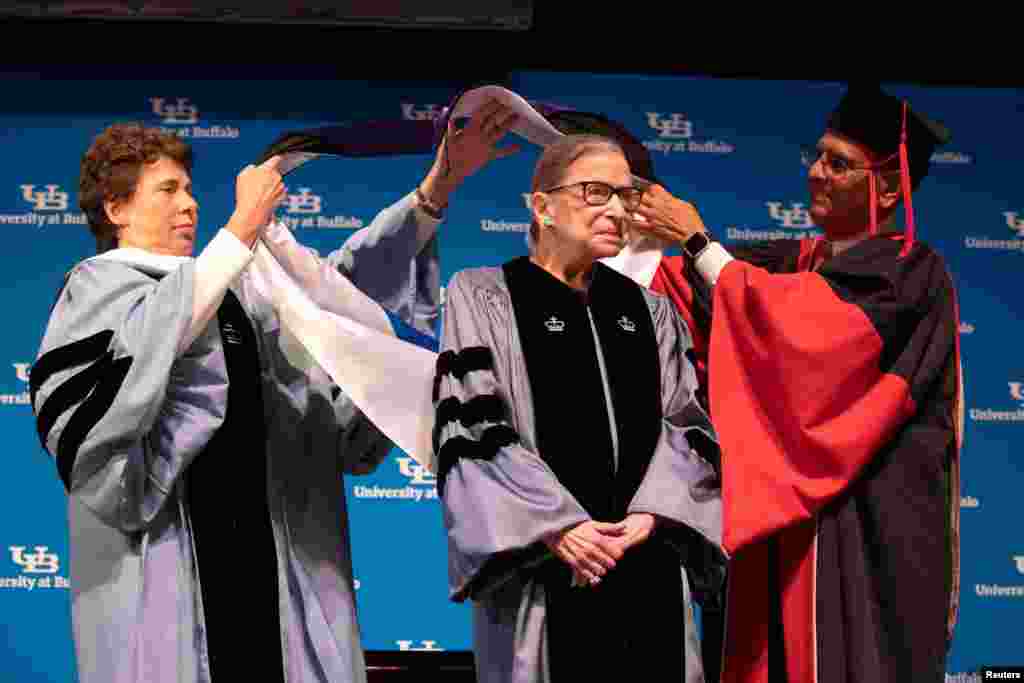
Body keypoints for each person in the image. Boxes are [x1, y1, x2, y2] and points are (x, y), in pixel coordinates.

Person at [29, 106, 515, 683]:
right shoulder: (98, 291)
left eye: (189, 189)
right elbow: (120, 396)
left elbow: (341, 297)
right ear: (116, 210)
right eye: (167, 190)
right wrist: (240, 228)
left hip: (273, 559)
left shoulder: (241, 291)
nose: (190, 204)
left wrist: (435, 192)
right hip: (176, 564)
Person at [628, 82, 963, 683]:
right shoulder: (794, 260)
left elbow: (804, 332)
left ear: (889, 186)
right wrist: (627, 232)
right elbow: (703, 293)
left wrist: (698, 241)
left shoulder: (912, 273)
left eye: (839, 163)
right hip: (791, 530)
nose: (817, 172)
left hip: (869, 528)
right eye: (817, 155)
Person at [433, 132, 725, 682]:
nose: (617, 209)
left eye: (625, 194)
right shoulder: (483, 296)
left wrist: (652, 514)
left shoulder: (652, 311)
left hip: (648, 565)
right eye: (596, 192)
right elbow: (475, 427)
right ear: (542, 206)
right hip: (547, 569)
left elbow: (685, 423)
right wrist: (558, 526)